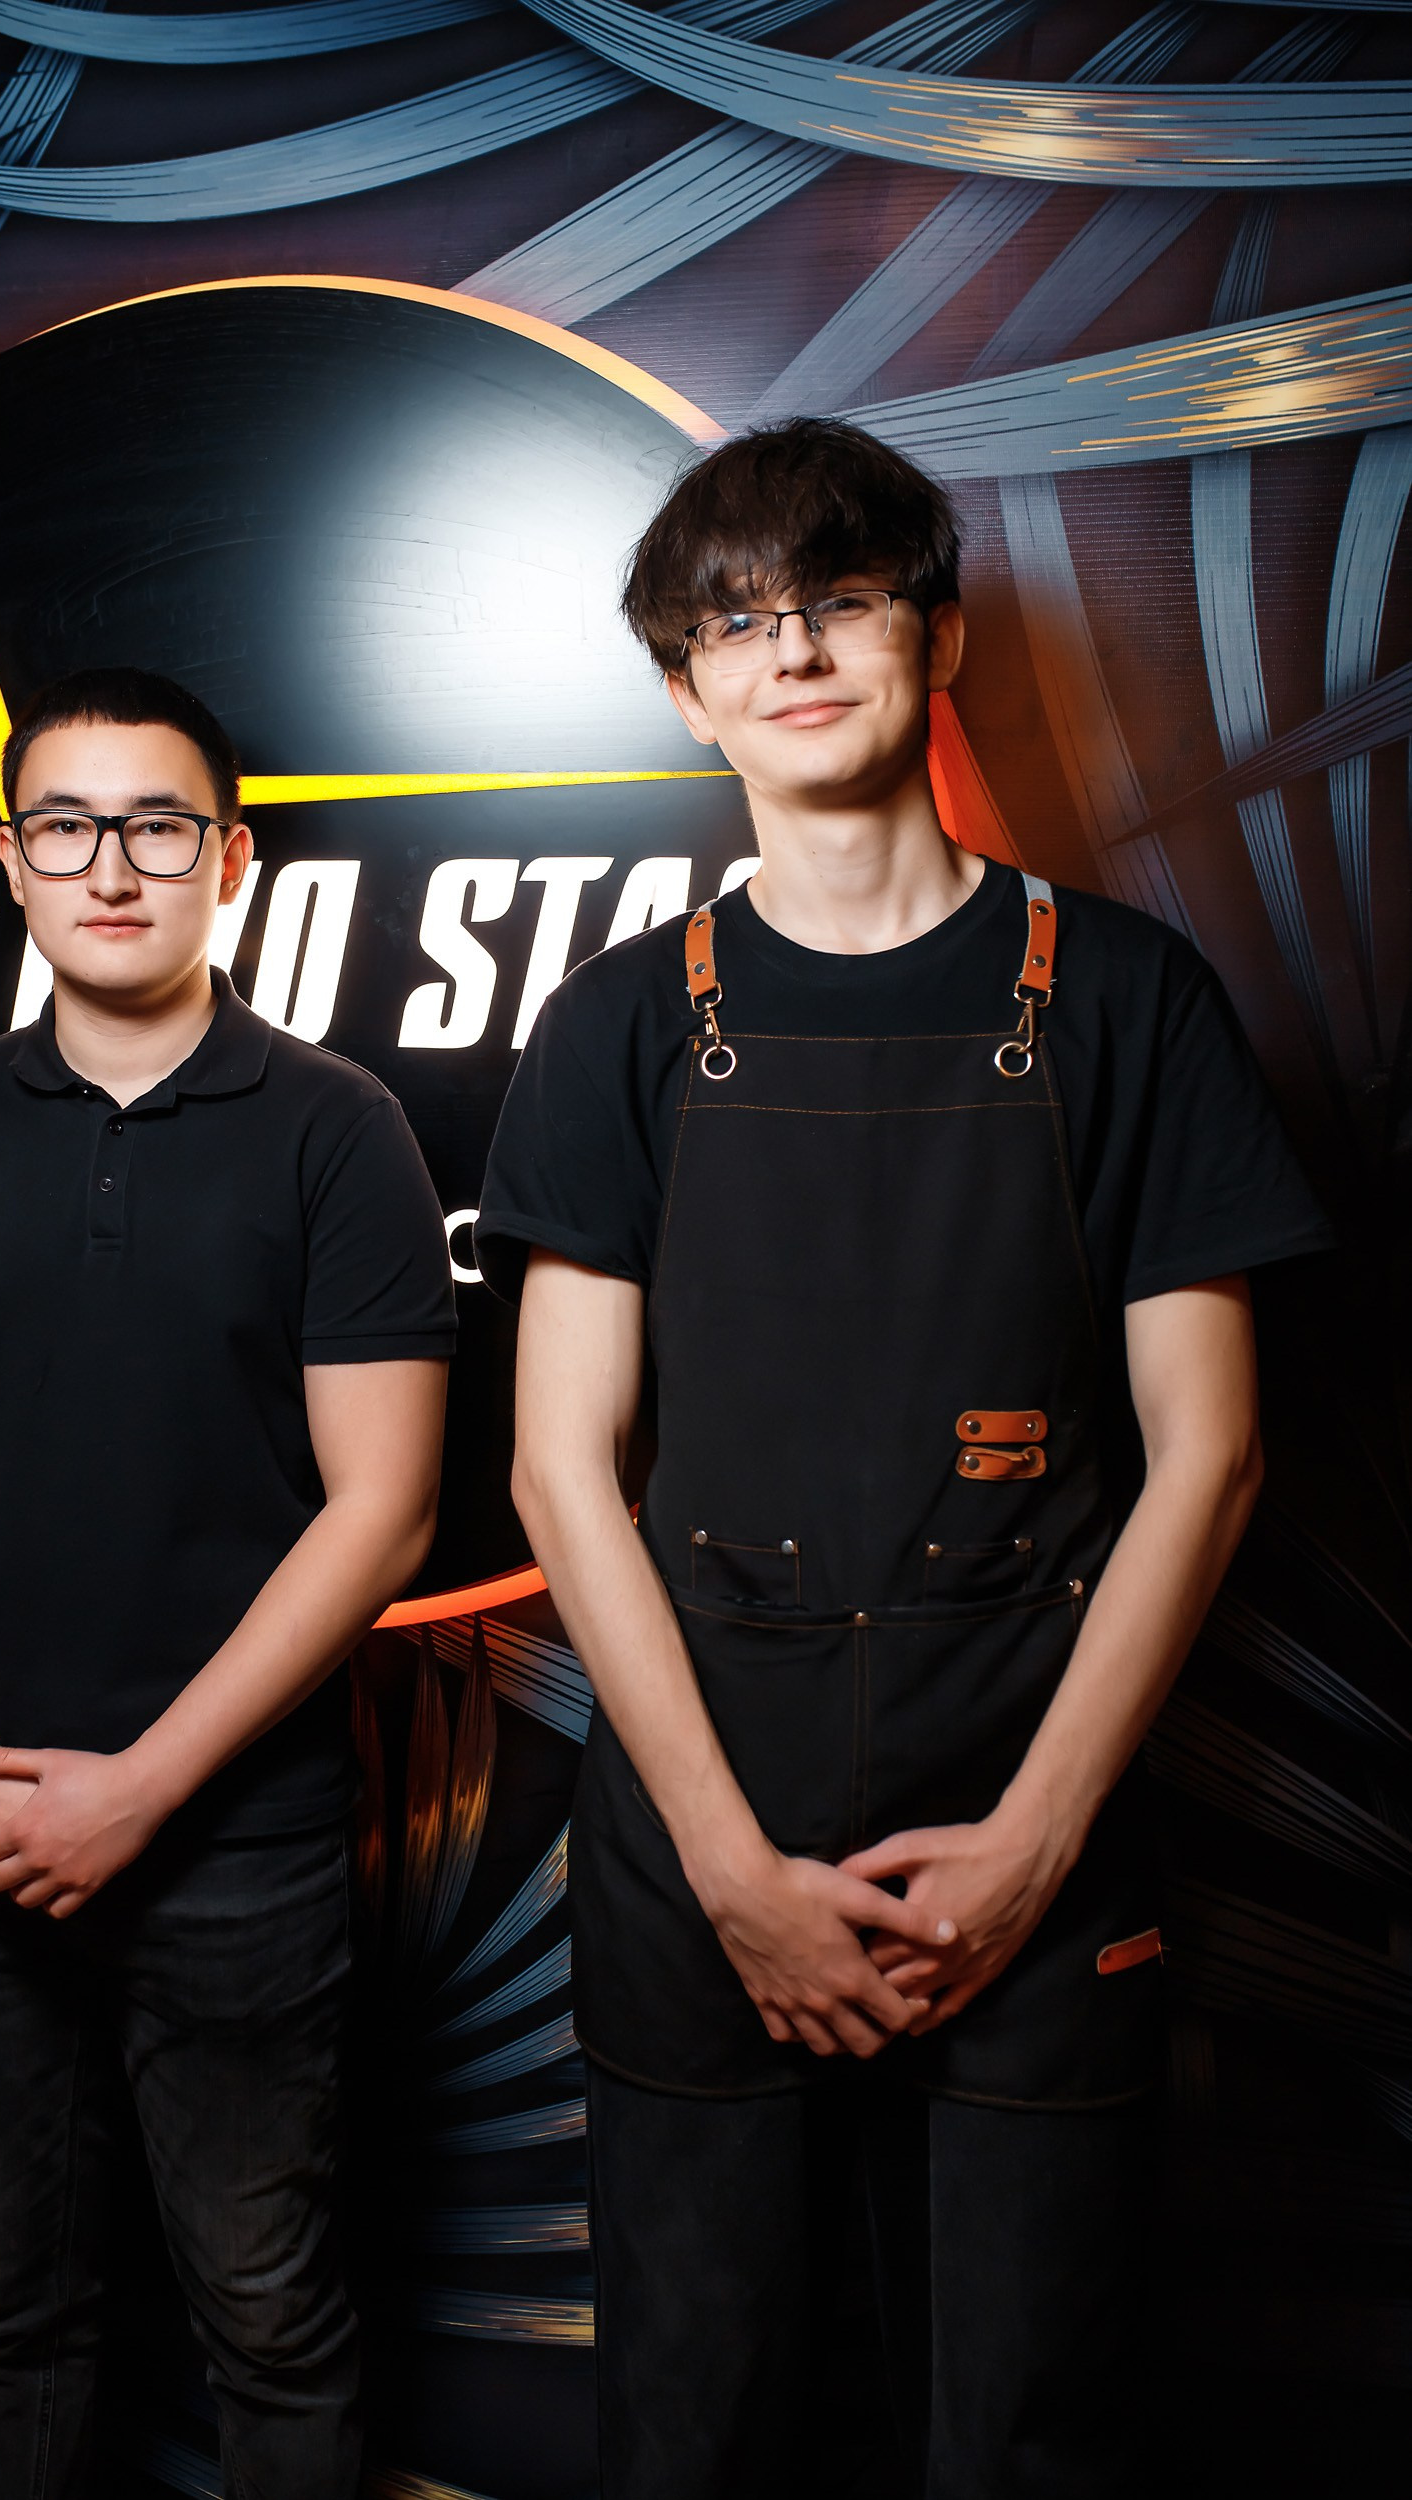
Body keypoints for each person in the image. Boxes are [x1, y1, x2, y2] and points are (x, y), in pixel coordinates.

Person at [477, 421, 1333, 2496]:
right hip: (702, 1854)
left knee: (1032, 2435)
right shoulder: (617, 1026)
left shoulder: (1127, 999)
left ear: (937, 640)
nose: (795, 651)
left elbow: (1210, 1455)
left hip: (1033, 1828)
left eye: (844, 600)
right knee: (695, 2440)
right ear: (687, 692)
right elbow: (560, 1472)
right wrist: (733, 1873)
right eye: (739, 622)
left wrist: (1030, 1849)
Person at [0, 669, 455, 2500]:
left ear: (229, 860)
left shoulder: (339, 1128)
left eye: (157, 826)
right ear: (13, 862)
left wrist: (144, 1789)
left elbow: (386, 1510)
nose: (110, 867)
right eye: (67, 827)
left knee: (271, 2311)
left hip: (237, 1845)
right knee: (6, 2308)